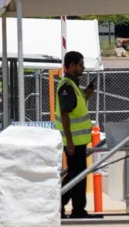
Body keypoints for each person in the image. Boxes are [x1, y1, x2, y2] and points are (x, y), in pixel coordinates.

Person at [55, 51, 97, 219]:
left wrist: (87, 93)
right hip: (73, 141)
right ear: (71, 65)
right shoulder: (67, 86)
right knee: (76, 176)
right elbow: (65, 114)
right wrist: (70, 143)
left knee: (76, 175)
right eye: (80, 64)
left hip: (78, 141)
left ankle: (68, 207)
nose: (83, 68)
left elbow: (75, 107)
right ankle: (68, 207)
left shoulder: (73, 85)